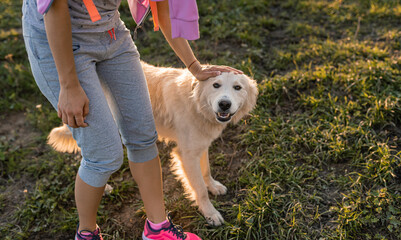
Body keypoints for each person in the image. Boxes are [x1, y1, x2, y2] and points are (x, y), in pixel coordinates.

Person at [22, 0, 242, 239]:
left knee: (144, 136)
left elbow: (163, 7)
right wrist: (69, 85)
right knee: (104, 155)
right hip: (58, 39)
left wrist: (194, 65)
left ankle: (158, 229)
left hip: (110, 33)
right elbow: (55, 7)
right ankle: (86, 234)